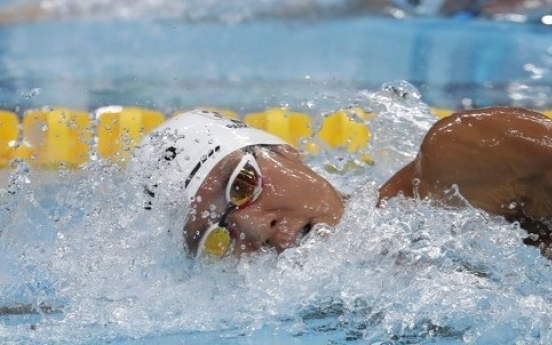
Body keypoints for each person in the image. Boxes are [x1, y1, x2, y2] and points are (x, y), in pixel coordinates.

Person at [132, 107, 552, 261]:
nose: (256, 230)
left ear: (285, 151)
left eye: (242, 185)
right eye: (218, 237)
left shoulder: (465, 157)